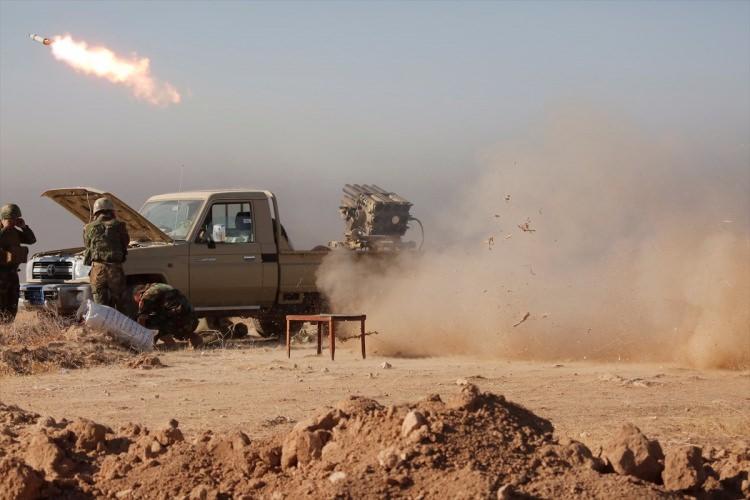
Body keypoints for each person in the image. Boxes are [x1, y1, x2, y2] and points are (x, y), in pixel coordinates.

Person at [83, 197, 130, 311]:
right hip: (115, 270)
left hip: (97, 270)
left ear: (96, 212)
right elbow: (125, 242)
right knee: (120, 305)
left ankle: (103, 323)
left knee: (100, 307)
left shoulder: (88, 227)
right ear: (111, 211)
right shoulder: (120, 225)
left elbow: (87, 245)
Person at [132, 282, 202, 348]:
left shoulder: (146, 296)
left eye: (138, 301)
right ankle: (198, 344)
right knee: (162, 319)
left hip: (178, 322)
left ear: (139, 294)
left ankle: (171, 345)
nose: (138, 303)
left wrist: (139, 339)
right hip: (192, 320)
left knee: (149, 323)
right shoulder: (161, 286)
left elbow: (141, 320)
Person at [0, 204, 36, 323]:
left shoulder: (15, 232)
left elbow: (31, 240)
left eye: (16, 219)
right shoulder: (3, 232)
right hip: (1, 274)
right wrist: (5, 229)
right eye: (11, 219)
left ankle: (8, 326)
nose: (13, 222)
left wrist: (24, 227)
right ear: (4, 218)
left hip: (12, 273)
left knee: (13, 302)